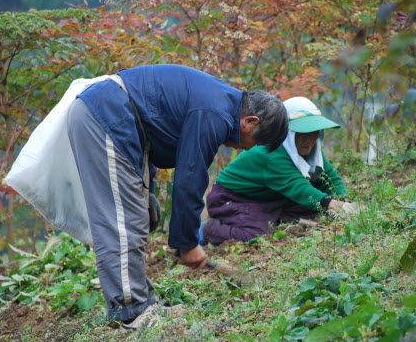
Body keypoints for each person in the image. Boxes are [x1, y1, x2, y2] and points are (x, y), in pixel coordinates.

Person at [66, 64, 289, 329]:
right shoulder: (214, 113)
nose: (240, 148)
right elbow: (190, 178)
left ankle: (143, 303)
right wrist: (187, 243)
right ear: (250, 122)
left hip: (127, 124)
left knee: (139, 216)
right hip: (107, 116)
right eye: (248, 143)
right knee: (122, 222)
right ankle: (131, 313)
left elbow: (158, 125)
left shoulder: (221, 104)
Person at [199, 96, 360, 246]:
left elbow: (329, 177)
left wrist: (344, 199)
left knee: (313, 209)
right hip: (234, 199)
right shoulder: (270, 152)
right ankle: (206, 230)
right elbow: (299, 188)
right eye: (302, 133)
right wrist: (334, 205)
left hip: (271, 196)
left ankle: (272, 218)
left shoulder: (311, 149)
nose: (309, 140)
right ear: (286, 133)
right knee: (255, 237)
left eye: (313, 133)